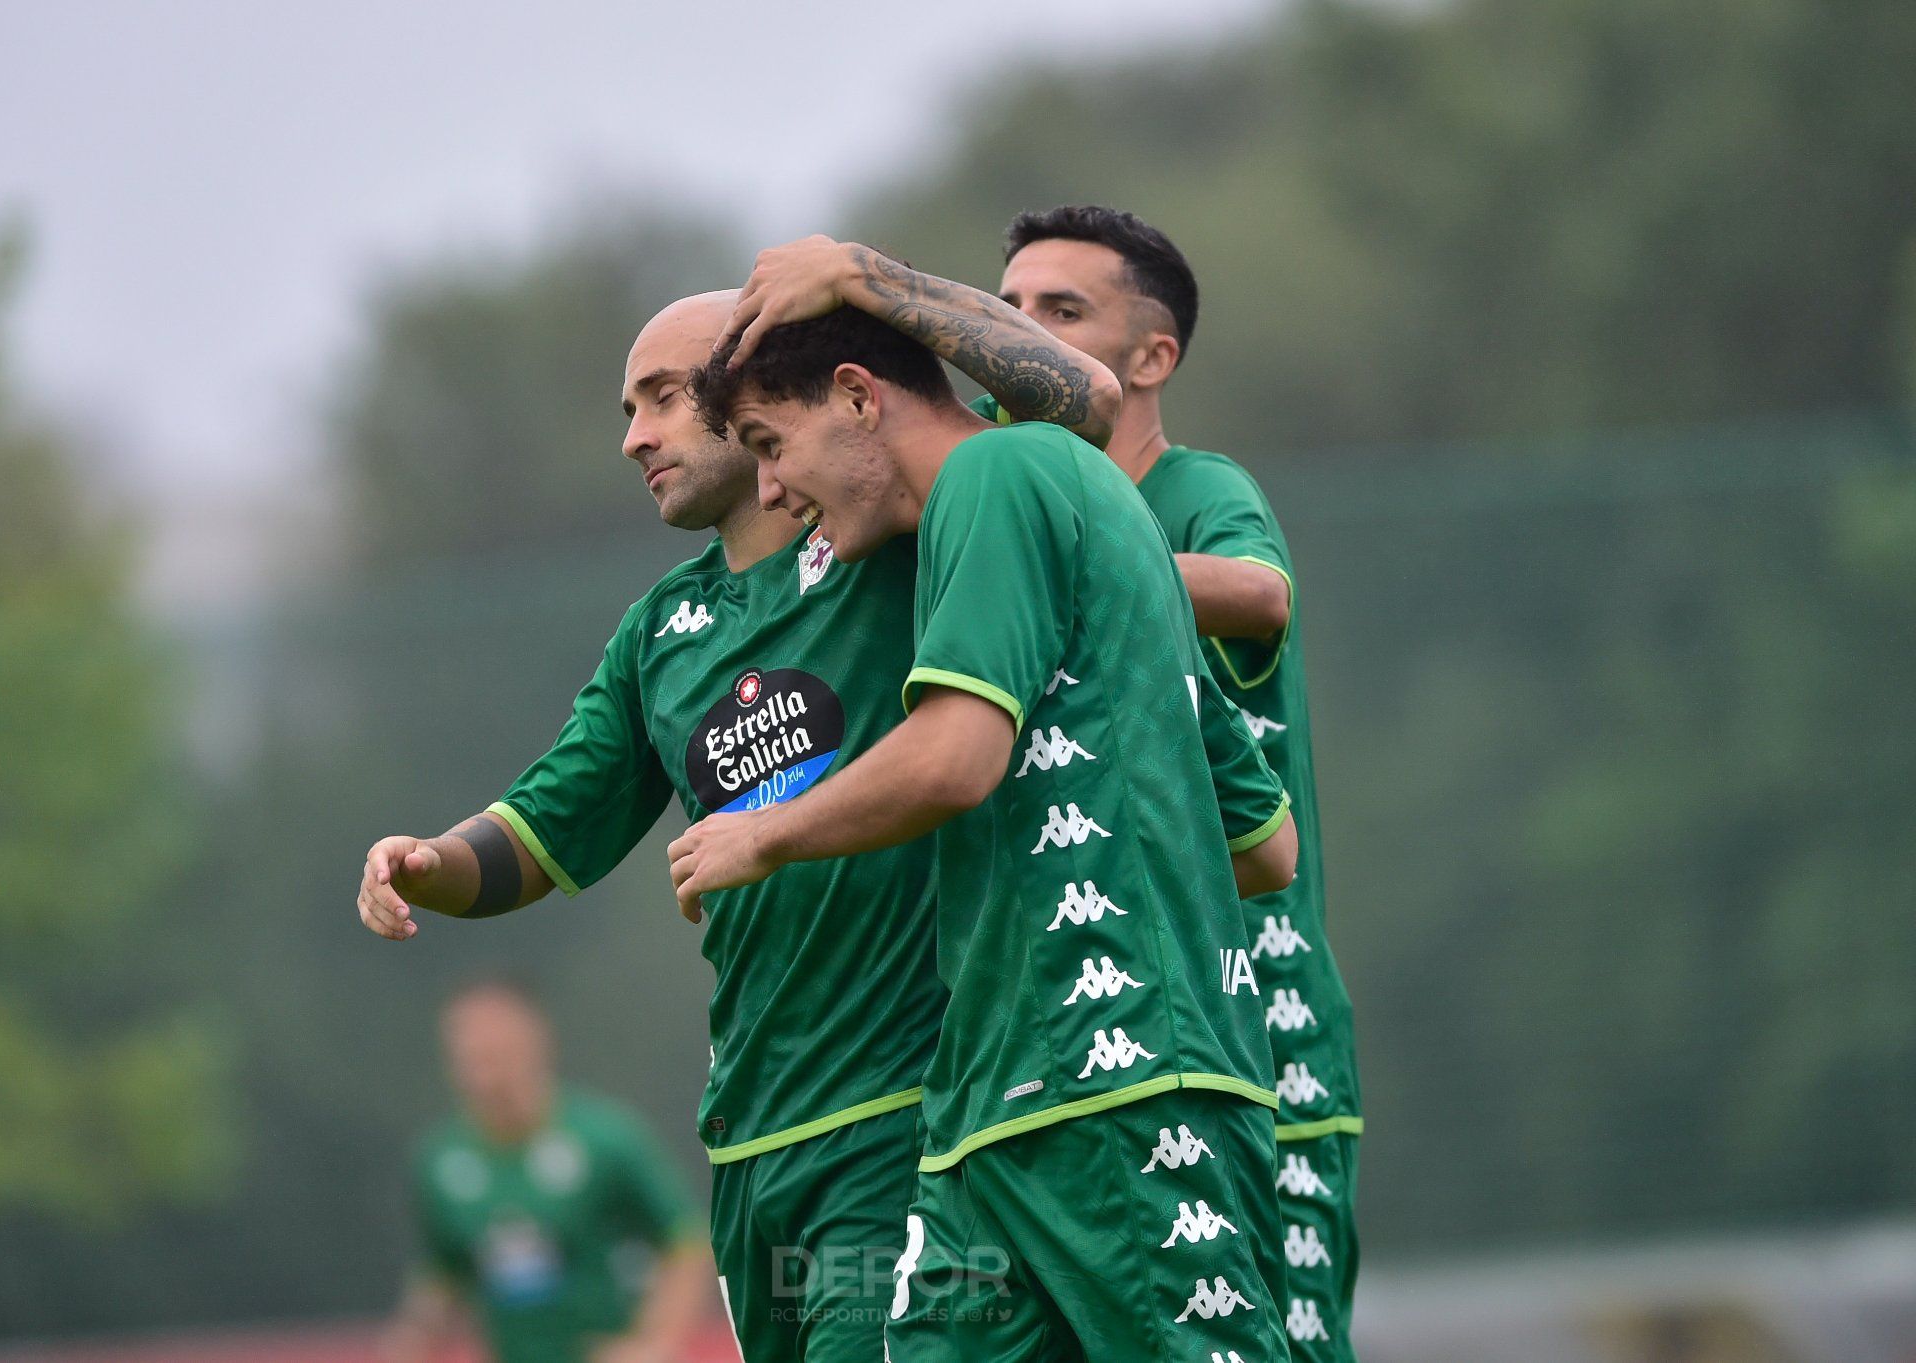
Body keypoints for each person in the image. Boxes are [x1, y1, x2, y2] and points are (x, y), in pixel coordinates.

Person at [355, 283, 1118, 1360]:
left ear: (749, 384)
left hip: (908, 1115)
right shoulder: (661, 630)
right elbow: (546, 824)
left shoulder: (910, 530)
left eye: (664, 396)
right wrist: (427, 863)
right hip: (755, 1144)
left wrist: (859, 276)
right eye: (626, 408)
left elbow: (1070, 406)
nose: (634, 437)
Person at [675, 305, 1300, 1362]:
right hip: (991, 1116)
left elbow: (957, 756)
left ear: (860, 396)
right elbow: (1258, 842)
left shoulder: (997, 476)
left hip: (1117, 1086)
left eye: (772, 446)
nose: (771, 491)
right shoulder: (1080, 523)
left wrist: (765, 835)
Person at [993, 205, 1364, 1361]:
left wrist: (1078, 545)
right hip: (1079, 1053)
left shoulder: (1198, 492)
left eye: (1062, 312)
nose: (1024, 337)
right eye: (1005, 312)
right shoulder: (997, 508)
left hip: (1256, 1025)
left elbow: (1261, 596)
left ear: (1152, 357)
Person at [384, 977, 708, 1363]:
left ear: (537, 1046)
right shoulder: (440, 1161)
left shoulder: (606, 1139)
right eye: (470, 1056)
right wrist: (412, 1339)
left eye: (497, 1053)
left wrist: (655, 1342)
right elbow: (444, 1271)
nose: (484, 1073)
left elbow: (686, 1241)